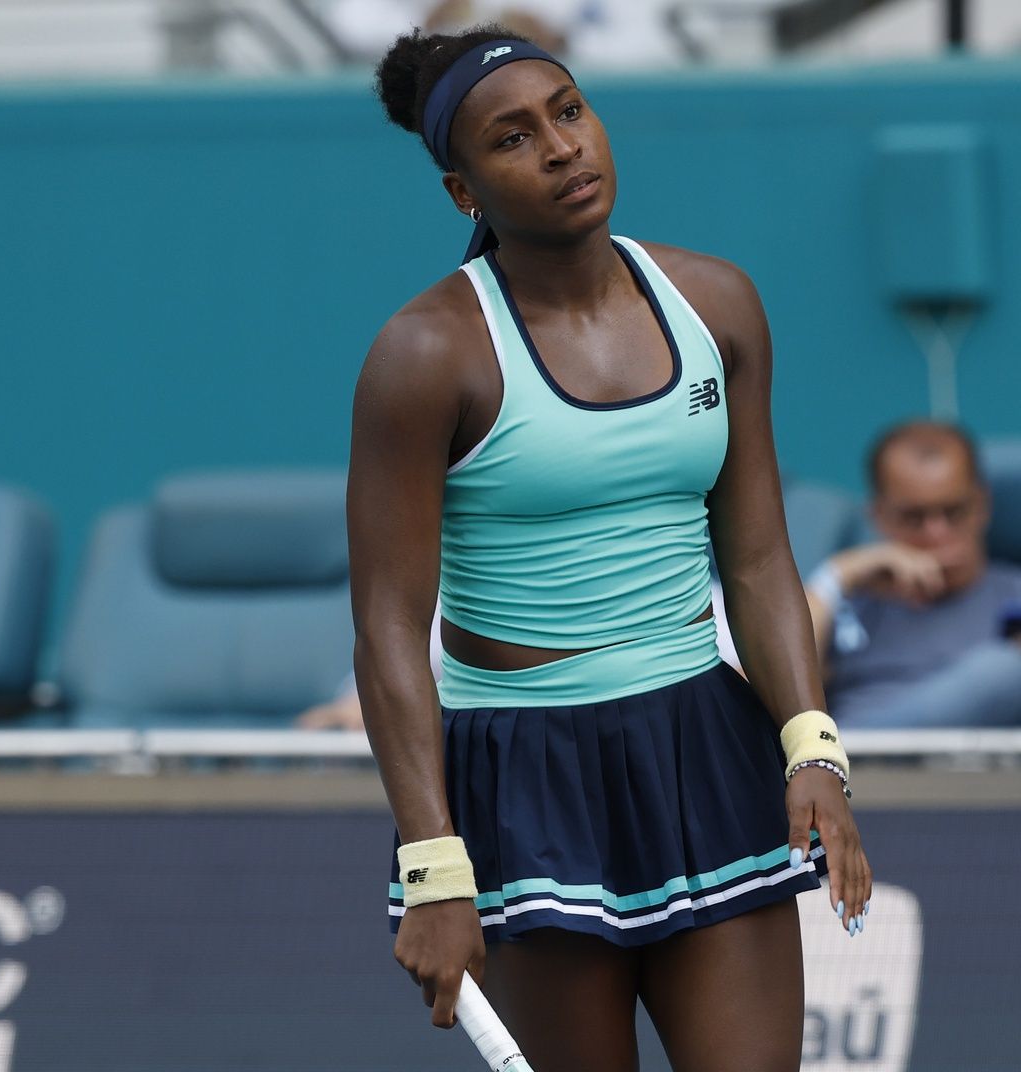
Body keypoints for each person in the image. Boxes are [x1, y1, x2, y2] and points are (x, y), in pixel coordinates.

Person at [347, 25, 870, 1071]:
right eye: (512, 138)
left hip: (703, 745)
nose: (561, 148)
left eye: (570, 112)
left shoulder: (717, 304)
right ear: (464, 191)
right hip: (526, 777)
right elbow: (388, 630)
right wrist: (436, 862)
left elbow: (759, 557)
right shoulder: (426, 354)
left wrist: (812, 747)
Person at [808, 421, 1021, 727]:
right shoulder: (845, 604)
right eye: (913, 517)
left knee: (1001, 672)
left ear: (982, 505)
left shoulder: (1014, 593)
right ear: (879, 517)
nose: (937, 533)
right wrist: (837, 574)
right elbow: (755, 699)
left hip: (980, 768)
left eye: (954, 512)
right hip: (859, 765)